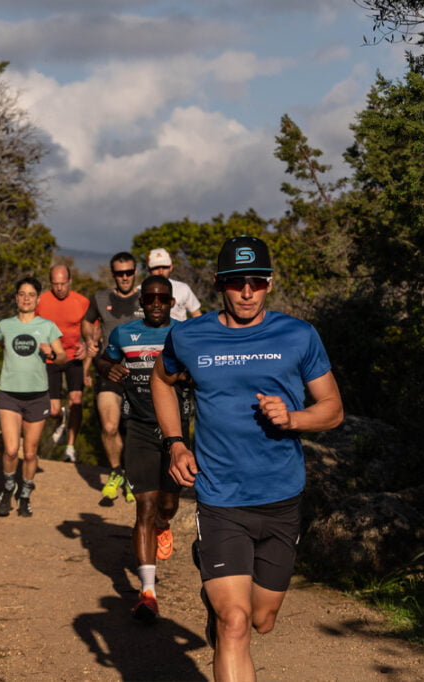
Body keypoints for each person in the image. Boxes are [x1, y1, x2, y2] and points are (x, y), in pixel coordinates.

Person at [151, 236, 343, 681]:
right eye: (237, 282)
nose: (247, 292)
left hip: (280, 499)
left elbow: (332, 409)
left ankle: (222, 607)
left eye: (256, 281)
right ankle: (223, 612)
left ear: (270, 283)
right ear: (220, 284)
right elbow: (163, 381)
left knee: (262, 619)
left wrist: (293, 418)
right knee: (234, 624)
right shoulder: (190, 335)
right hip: (221, 501)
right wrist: (176, 442)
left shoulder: (298, 335)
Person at [95, 275, 190, 623]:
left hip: (175, 432)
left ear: (171, 302)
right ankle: (148, 593)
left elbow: (199, 375)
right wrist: (111, 368)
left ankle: (165, 524)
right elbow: (103, 362)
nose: (155, 303)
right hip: (137, 427)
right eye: (149, 297)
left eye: (162, 298)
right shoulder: (123, 333)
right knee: (145, 507)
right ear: (141, 300)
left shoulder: (184, 333)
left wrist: (183, 378)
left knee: (167, 503)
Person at [0, 277, 66, 518]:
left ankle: (25, 493)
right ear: (16, 297)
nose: (26, 298)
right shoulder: (6, 325)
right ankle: (8, 489)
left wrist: (52, 353)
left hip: (37, 396)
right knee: (9, 450)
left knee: (29, 453)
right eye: (22, 294)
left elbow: (63, 357)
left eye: (31, 294)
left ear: (38, 299)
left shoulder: (47, 327)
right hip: (9, 394)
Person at [83, 252, 144, 501]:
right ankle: (116, 471)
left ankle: (131, 476)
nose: (125, 277)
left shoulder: (146, 298)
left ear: (135, 272)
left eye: (129, 272)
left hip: (141, 371)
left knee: (134, 429)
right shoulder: (100, 298)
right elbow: (87, 322)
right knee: (109, 426)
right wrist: (90, 339)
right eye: (120, 273)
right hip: (109, 369)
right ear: (113, 274)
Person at [36, 264, 92, 463]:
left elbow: (92, 329)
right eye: (55, 284)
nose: (59, 288)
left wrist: (86, 345)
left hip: (74, 357)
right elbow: (32, 327)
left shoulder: (82, 302)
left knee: (76, 400)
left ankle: (70, 447)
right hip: (51, 358)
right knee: (52, 410)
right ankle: (61, 417)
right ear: (50, 282)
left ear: (70, 282)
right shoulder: (41, 301)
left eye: (63, 284)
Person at [146, 248, 202, 321]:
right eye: (156, 268)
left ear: (171, 267)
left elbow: (196, 314)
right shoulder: (139, 291)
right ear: (148, 269)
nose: (161, 271)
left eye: (165, 267)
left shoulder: (183, 288)